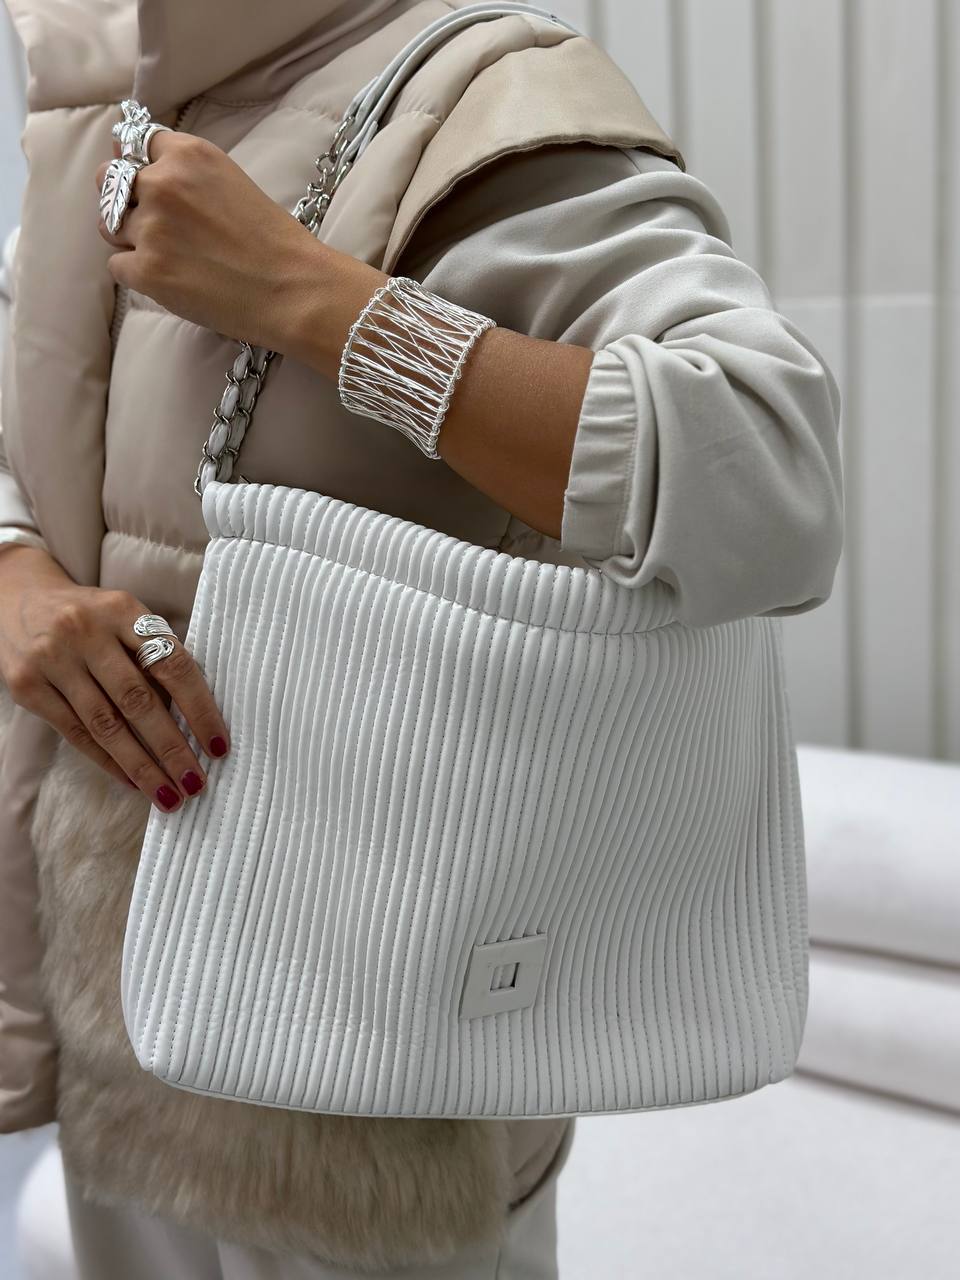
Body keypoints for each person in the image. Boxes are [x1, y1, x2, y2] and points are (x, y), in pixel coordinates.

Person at [0, 0, 843, 1276]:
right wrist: (16, 576)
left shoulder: (481, 95)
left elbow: (776, 477)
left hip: (375, 1058)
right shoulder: (106, 108)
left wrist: (320, 304)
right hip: (108, 999)